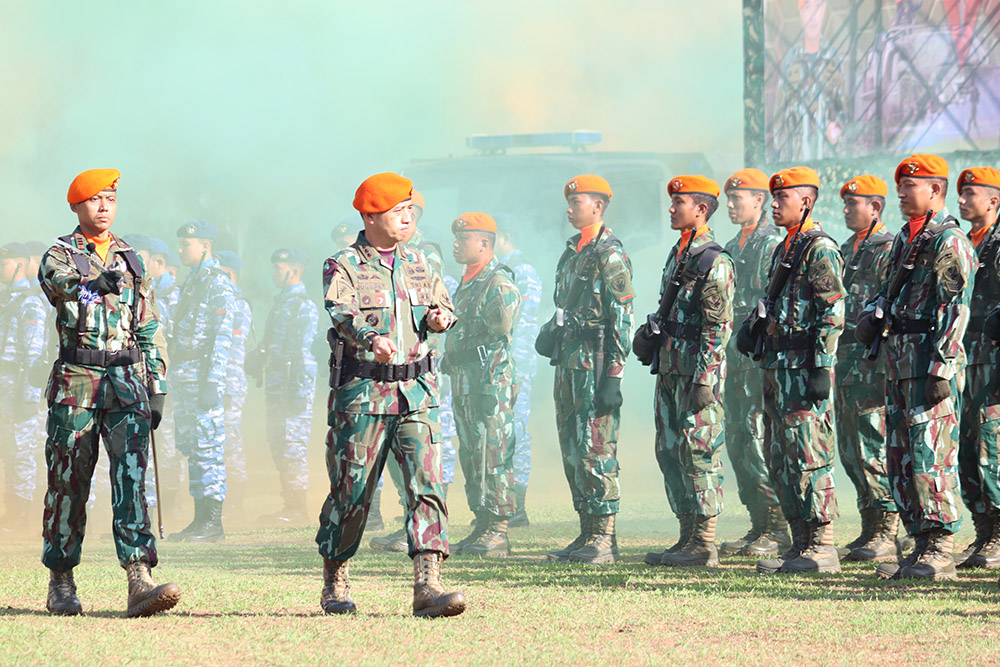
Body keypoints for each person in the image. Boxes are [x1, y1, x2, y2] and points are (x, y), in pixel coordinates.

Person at [316, 172, 464, 618]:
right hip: (364, 395)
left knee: (427, 485)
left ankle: (429, 584)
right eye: (398, 210)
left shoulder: (423, 260)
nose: (407, 217)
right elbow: (340, 312)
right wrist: (368, 336)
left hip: (417, 392)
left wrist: (441, 319)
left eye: (410, 209)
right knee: (353, 492)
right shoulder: (343, 263)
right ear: (371, 215)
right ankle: (335, 574)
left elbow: (445, 307)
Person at [38, 168, 179, 617]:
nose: (104, 207)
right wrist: (87, 284)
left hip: (126, 385)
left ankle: (139, 577)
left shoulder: (132, 259)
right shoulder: (60, 254)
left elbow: (149, 325)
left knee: (131, 482)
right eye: (95, 200)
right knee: (68, 483)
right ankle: (61, 580)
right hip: (77, 383)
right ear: (77, 206)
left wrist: (156, 386)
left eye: (110, 200)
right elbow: (55, 284)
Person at [855, 154, 975, 581]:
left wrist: (942, 369)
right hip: (899, 364)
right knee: (900, 458)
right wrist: (872, 315)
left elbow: (954, 308)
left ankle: (940, 548)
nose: (903, 193)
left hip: (928, 367)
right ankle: (918, 543)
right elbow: (889, 294)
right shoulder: (908, 239)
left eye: (912, 186)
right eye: (901, 186)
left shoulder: (948, 241)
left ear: (935, 191)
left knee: (931, 457)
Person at [736, 166, 845, 574]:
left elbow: (832, 311)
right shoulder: (784, 248)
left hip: (804, 368)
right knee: (781, 456)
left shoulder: (819, 248)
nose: (776, 202)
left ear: (807, 201)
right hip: (778, 367)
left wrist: (822, 365)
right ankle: (800, 542)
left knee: (810, 453)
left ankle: (822, 545)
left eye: (784, 196)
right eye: (774, 196)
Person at [635, 176, 734, 567]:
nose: (672, 208)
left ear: (702, 209)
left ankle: (705, 542)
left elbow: (717, 326)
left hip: (696, 373)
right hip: (671, 369)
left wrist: (706, 379)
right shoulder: (680, 255)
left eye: (679, 202)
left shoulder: (713, 260)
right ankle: (686, 535)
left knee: (699, 452)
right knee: (670, 450)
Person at [538, 174, 635, 564]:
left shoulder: (610, 254)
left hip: (594, 363)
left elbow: (622, 318)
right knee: (572, 447)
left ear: (598, 206)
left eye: (577, 201)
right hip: (569, 362)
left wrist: (614, 375)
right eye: (569, 201)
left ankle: (604, 538)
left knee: (597, 447)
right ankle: (586, 531)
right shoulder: (572, 252)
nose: (569, 207)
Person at [717, 169, 790, 558]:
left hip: (757, 356)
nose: (730, 205)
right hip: (733, 356)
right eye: (728, 199)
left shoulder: (770, 243)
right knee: (737, 437)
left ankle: (777, 526)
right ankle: (759, 521)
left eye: (737, 198)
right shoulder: (732, 245)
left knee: (758, 436)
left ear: (759, 200)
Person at [443, 213, 521, 557]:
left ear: (484, 244)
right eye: (456, 239)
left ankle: (498, 527)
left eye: (464, 239)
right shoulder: (469, 282)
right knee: (472, 452)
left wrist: (489, 383)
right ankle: (481, 520)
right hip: (464, 381)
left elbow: (499, 335)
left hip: (489, 380)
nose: (456, 245)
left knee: (494, 452)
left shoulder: (497, 282)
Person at [833, 175, 901, 562]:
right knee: (850, 448)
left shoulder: (887, 249)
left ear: (875, 208)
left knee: (873, 445)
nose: (846, 210)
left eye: (853, 204)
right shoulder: (848, 248)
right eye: (844, 203)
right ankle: (868, 525)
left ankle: (887, 529)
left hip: (872, 365)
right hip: (845, 364)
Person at [168, 220, 236, 543]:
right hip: (186, 374)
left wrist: (214, 381)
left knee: (208, 446)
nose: (181, 250)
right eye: (180, 244)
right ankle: (199, 520)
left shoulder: (217, 284)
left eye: (186, 245)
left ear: (205, 246)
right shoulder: (193, 281)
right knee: (193, 447)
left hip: (203, 374)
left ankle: (213, 522)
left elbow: (222, 336)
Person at [252, 247, 319, 523]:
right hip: (278, 382)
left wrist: (299, 393)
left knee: (293, 445)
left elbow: (304, 353)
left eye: (279, 268)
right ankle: (287, 502)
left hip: (293, 384)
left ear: (295, 270)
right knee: (278, 442)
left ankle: (297, 506)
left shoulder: (303, 305)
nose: (273, 273)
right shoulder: (281, 303)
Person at [955, 167, 1000, 569]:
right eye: (960, 193)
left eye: (971, 193)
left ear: (994, 200)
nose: (962, 199)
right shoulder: (962, 242)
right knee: (966, 447)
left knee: (991, 445)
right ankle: (983, 530)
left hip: (993, 360)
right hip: (963, 357)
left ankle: (999, 533)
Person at [494, 217, 542, 526]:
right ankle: (504, 502)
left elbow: (524, 324)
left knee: (518, 432)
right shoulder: (502, 271)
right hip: (506, 361)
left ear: (505, 237)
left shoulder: (522, 272)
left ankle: (518, 508)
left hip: (518, 362)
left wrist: (513, 362)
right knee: (503, 432)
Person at [0, 243, 47, 532]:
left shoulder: (30, 303)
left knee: (21, 452)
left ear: (19, 265)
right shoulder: (7, 301)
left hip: (18, 389)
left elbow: (33, 355)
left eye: (6, 263)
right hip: (4, 389)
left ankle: (20, 515)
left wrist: (29, 397)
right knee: (7, 449)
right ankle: (10, 510)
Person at [216, 250, 251, 521]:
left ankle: (237, 501)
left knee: (231, 441)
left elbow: (232, 348)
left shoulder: (238, 305)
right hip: (218, 380)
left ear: (231, 274)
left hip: (229, 382)